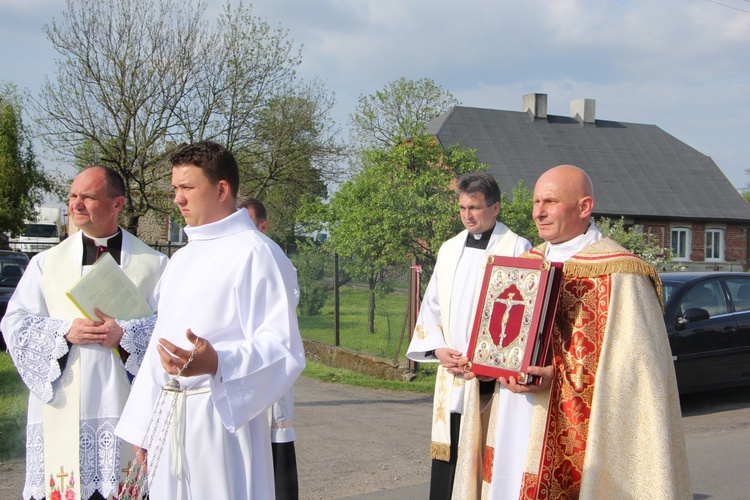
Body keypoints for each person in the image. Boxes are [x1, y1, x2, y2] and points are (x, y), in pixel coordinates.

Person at [453, 164, 691, 499]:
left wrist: (558, 375)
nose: (538, 212)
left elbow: (634, 378)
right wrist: (489, 368)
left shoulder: (621, 274)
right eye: (536, 203)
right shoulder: (524, 263)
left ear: (584, 207)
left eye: (549, 202)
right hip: (513, 418)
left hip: (576, 432)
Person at [115, 140, 305, 499]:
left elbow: (282, 348)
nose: (177, 199)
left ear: (221, 189)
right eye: (174, 189)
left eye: (187, 188)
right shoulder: (182, 259)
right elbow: (161, 343)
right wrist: (144, 432)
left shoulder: (258, 254)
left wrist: (217, 362)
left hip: (222, 423)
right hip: (169, 421)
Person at [1, 165, 168, 500]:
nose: (75, 204)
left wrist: (126, 335)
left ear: (117, 204)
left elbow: (169, 326)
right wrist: (65, 331)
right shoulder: (46, 264)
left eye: (88, 197)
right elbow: (15, 322)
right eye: (73, 196)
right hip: (63, 406)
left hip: (124, 406)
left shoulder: (154, 264)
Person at [406, 172, 532, 499]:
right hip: (452, 371)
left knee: (482, 453)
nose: (467, 215)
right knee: (449, 452)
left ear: (495, 208)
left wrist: (489, 361)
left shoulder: (518, 248)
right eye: (462, 208)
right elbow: (431, 304)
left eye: (474, 207)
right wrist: (438, 349)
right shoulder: (449, 249)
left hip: (491, 376)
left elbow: (522, 314)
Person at [238, 196, 300, 500]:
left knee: (274, 459)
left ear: (264, 226)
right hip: (231, 376)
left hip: (266, 373)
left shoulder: (277, 262)